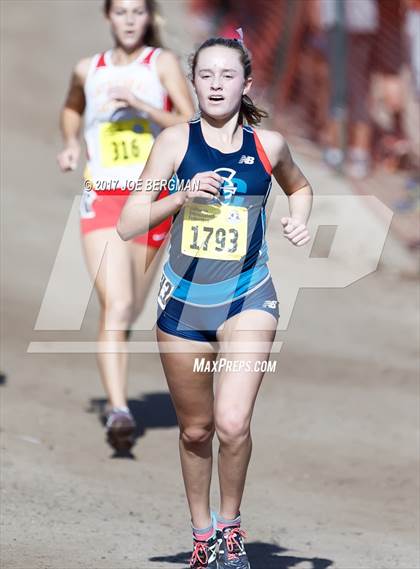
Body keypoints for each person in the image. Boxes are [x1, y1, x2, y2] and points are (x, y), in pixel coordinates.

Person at [118, 36, 313, 568]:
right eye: (206, 75)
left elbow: (299, 187)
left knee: (232, 423)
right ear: (195, 83)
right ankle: (202, 534)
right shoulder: (175, 144)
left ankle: (230, 528)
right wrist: (180, 195)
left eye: (228, 75)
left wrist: (299, 216)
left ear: (245, 84)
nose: (217, 84)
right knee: (196, 429)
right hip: (184, 302)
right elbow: (128, 222)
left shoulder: (268, 146)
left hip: (249, 295)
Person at [57, 0, 194, 452]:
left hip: (152, 200)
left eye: (138, 12)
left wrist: (142, 106)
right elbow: (73, 107)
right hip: (103, 198)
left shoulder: (163, 64)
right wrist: (71, 143)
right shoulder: (88, 68)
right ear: (108, 18)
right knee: (115, 306)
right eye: (121, 12)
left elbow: (191, 120)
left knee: (132, 306)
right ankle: (119, 410)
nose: (130, 20)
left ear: (149, 18)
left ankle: (118, 389)